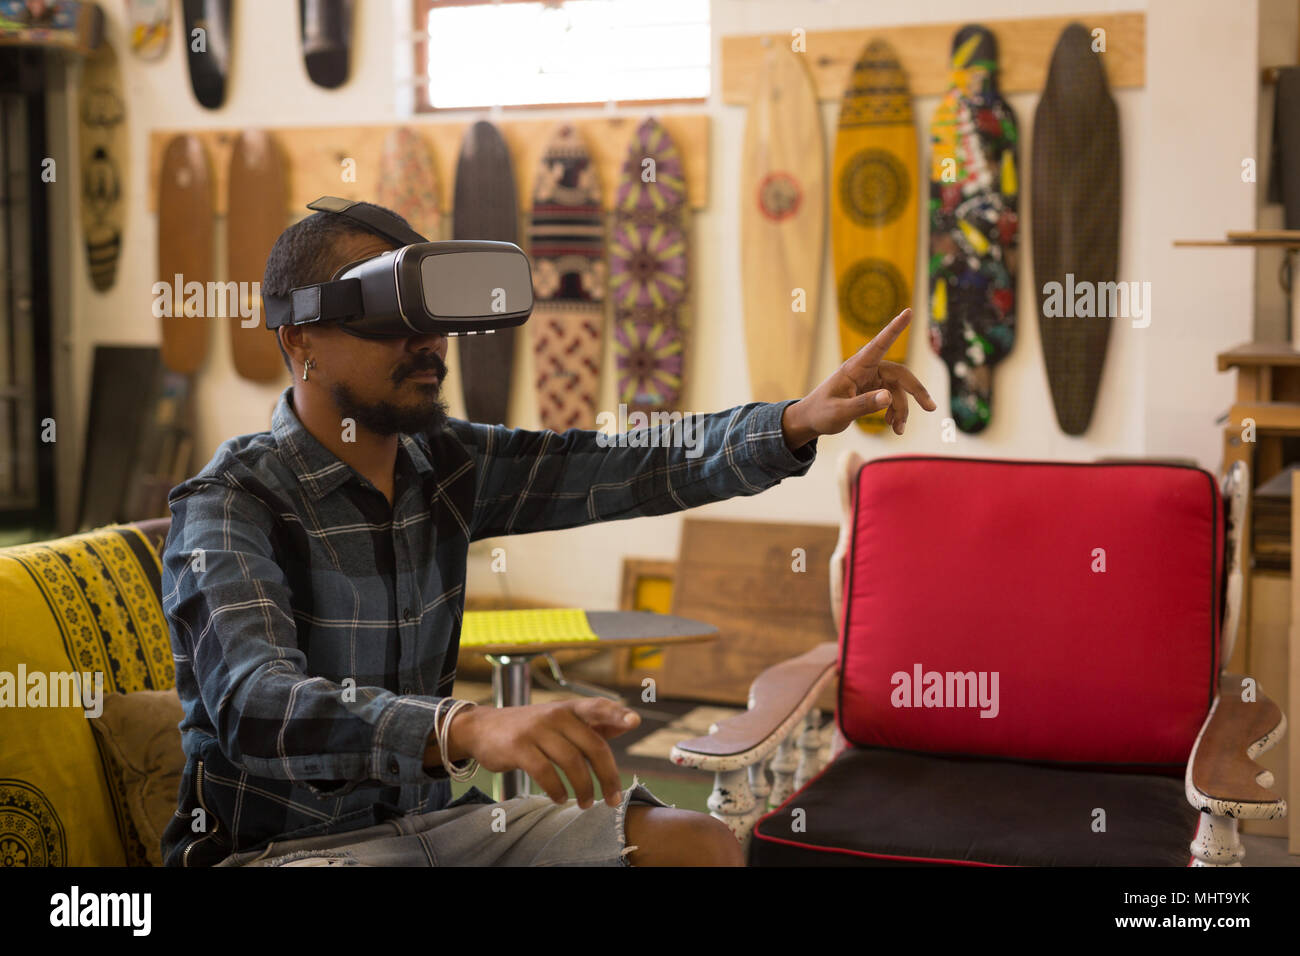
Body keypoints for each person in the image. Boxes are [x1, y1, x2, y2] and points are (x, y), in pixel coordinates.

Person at [159, 202, 935, 867]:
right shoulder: (230, 502)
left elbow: (625, 463)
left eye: (434, 320)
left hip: (437, 829)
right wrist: (466, 725)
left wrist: (793, 420)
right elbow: (255, 704)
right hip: (281, 852)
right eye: (394, 319)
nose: (428, 344)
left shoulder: (447, 464)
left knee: (695, 844)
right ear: (300, 341)